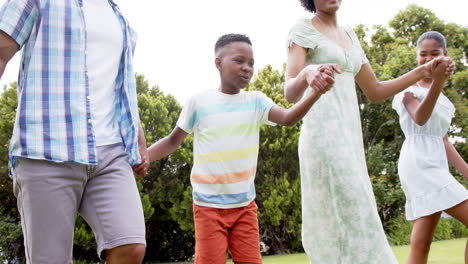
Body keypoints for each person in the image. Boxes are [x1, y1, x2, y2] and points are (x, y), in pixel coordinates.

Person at [136, 33, 335, 264]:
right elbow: (172, 141)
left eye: (251, 63)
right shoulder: (199, 102)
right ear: (218, 63)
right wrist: (143, 157)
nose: (247, 68)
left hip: (244, 206)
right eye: (239, 61)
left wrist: (315, 93)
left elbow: (288, 118)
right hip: (208, 206)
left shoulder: (256, 101)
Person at [284, 0, 455, 263]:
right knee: (351, 215)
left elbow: (375, 90)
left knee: (358, 214)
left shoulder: (350, 35)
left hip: (350, 139)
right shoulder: (303, 29)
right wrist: (308, 72)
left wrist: (422, 71)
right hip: (323, 136)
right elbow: (289, 93)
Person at [0, 0, 149, 263]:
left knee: (130, 246)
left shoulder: (117, 15)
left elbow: (118, 84)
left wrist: (136, 133)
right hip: (46, 149)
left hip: (110, 152)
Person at [392, 31, 468, 264]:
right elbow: (420, 117)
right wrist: (438, 81)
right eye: (422, 54)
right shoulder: (408, 90)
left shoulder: (444, 100)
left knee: (422, 243)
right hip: (417, 163)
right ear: (416, 57)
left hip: (437, 163)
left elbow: (443, 140)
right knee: (421, 242)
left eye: (434, 53)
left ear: (445, 55)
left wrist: (466, 170)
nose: (427, 58)